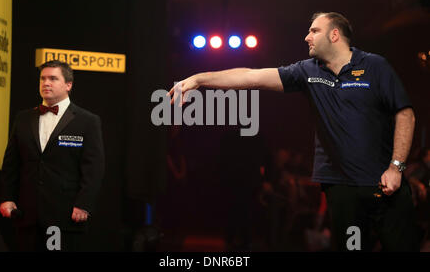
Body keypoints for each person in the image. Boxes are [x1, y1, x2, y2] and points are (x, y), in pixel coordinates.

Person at [168, 12, 418, 251]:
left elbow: (405, 114)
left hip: (385, 182)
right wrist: (199, 78)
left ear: (334, 35)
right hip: (341, 187)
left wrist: (396, 167)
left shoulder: (375, 66)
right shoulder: (307, 71)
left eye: (314, 31)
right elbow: (250, 76)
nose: (306, 37)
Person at [0, 60, 105, 251]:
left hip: (66, 216)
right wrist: (7, 197)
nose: (46, 83)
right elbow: (11, 164)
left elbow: (94, 168)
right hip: (27, 216)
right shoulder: (23, 118)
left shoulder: (87, 121)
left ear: (68, 85)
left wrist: (84, 204)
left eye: (53, 78)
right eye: (43, 78)